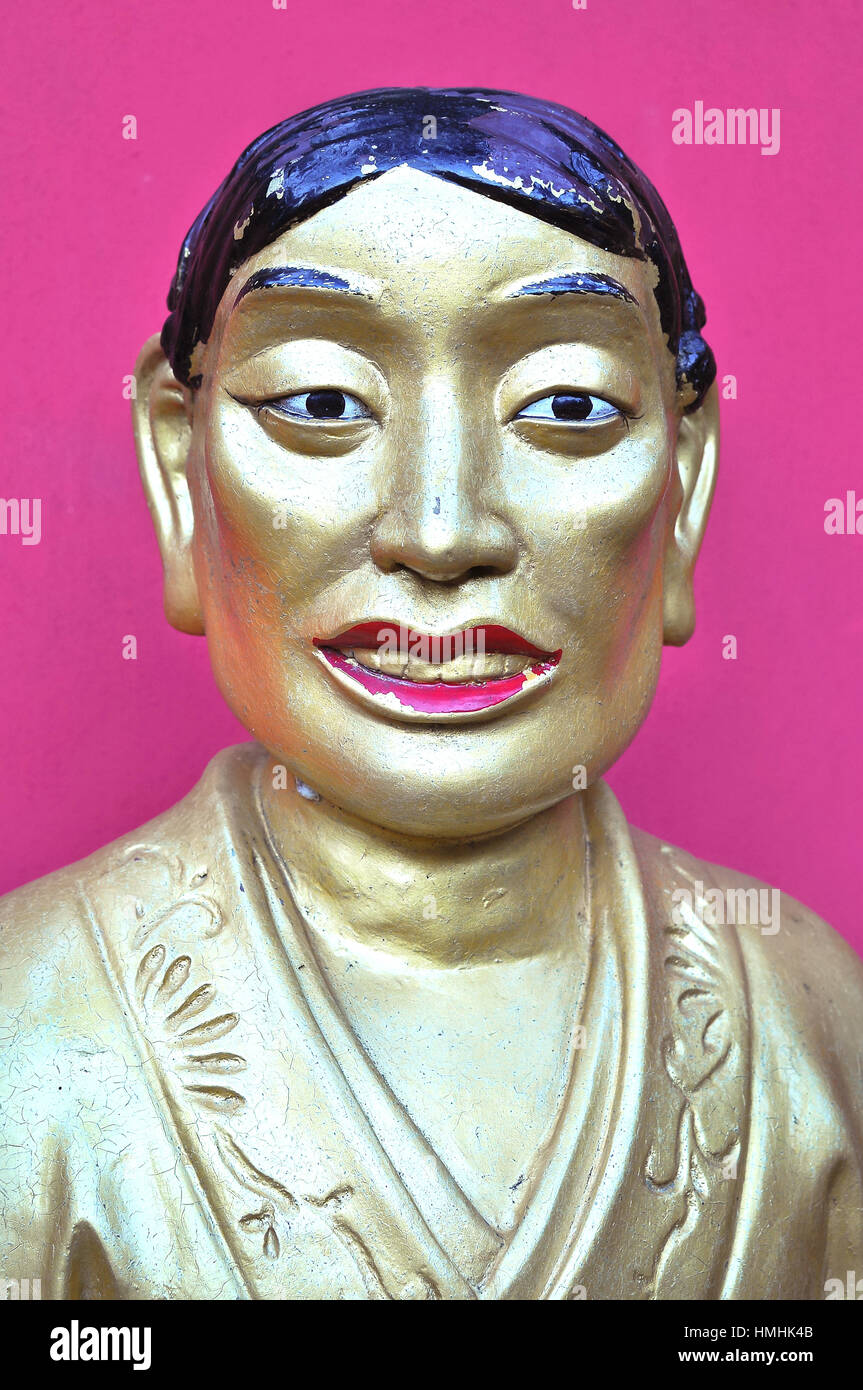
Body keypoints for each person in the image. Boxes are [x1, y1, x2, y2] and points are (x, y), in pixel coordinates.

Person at [1, 88, 861, 1301]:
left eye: (565, 407)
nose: (441, 529)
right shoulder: (27, 1037)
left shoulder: (803, 1020)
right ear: (181, 472)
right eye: (319, 403)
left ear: (685, 480)